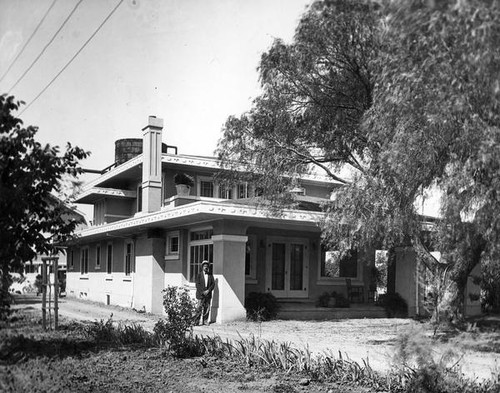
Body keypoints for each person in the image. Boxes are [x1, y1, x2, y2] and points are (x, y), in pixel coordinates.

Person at [195, 260, 215, 325]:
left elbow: (213, 284)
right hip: (201, 294)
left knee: (207, 308)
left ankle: (205, 321)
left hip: (208, 294)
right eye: (204, 266)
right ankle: (196, 321)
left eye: (207, 266)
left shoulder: (210, 275)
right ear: (202, 267)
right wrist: (202, 292)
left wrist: (208, 290)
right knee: (199, 308)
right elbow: (197, 285)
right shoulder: (199, 275)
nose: (206, 267)